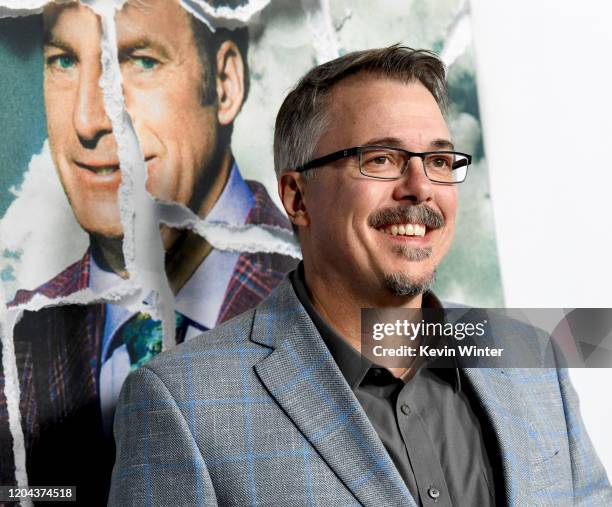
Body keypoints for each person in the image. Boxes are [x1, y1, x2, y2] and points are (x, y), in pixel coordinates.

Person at [110, 45, 612, 506]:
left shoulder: (532, 355)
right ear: (297, 198)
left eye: (438, 160)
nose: (420, 188)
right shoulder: (181, 404)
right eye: (381, 159)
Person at [0, 0, 295, 502]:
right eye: (64, 61)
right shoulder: (15, 339)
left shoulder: (351, 311)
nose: (88, 119)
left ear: (224, 84)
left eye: (140, 60)